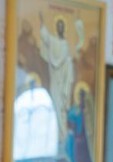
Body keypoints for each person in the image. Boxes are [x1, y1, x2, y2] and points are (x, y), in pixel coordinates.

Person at [38, 12, 82, 145]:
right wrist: (42, 23)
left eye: (62, 26)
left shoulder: (66, 45)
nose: (60, 28)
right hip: (55, 81)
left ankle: (62, 137)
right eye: (59, 26)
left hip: (63, 82)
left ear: (64, 28)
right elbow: (45, 37)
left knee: (62, 108)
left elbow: (68, 61)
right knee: (55, 105)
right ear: (57, 28)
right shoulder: (53, 41)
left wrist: (68, 65)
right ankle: (57, 136)